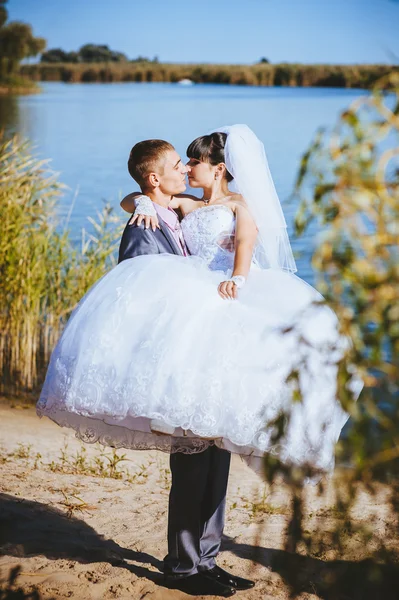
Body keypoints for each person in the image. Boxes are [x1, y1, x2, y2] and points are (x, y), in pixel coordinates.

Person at [37, 125, 360, 595]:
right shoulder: (185, 204)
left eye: (194, 162)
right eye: (182, 163)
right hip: (191, 325)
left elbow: (246, 245)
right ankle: (183, 565)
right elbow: (136, 195)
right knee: (191, 459)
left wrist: (240, 279)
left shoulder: (237, 205)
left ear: (219, 168)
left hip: (225, 317)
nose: (188, 169)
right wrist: (143, 202)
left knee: (216, 453)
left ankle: (206, 559)